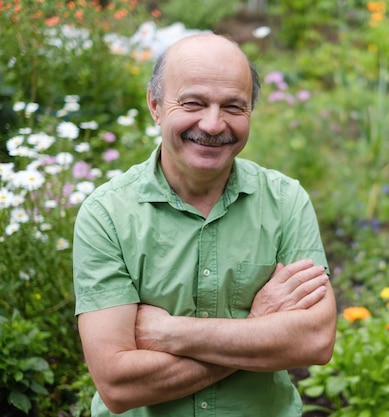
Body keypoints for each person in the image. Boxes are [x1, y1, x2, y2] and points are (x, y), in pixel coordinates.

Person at [73, 33, 337, 416]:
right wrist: (258, 327)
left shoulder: (285, 201)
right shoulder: (107, 213)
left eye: (233, 107)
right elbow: (117, 384)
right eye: (194, 103)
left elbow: (314, 342)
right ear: (155, 105)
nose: (213, 125)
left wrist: (172, 333)